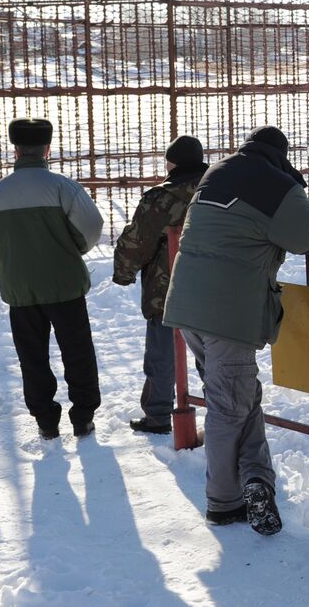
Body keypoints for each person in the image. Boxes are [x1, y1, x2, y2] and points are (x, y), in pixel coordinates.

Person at [164, 126, 309, 535]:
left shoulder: (219, 171)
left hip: (187, 305)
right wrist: (297, 190)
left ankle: (256, 479)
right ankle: (224, 501)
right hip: (226, 313)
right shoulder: (277, 185)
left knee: (238, 395)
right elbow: (306, 236)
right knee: (230, 405)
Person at [0, 118, 104, 440]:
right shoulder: (64, 187)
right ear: (47, 148)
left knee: (32, 357)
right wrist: (72, 247)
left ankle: (45, 421)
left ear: (16, 149)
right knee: (77, 351)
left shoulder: (0, 192)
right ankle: (83, 416)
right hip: (64, 284)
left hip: (20, 289)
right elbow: (92, 227)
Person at [113, 135, 208, 434]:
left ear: (172, 163)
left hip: (166, 290)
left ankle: (157, 415)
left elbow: (136, 242)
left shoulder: (160, 198)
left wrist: (124, 274)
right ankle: (223, 409)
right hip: (215, 289)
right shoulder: (218, 190)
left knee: (162, 355)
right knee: (214, 354)